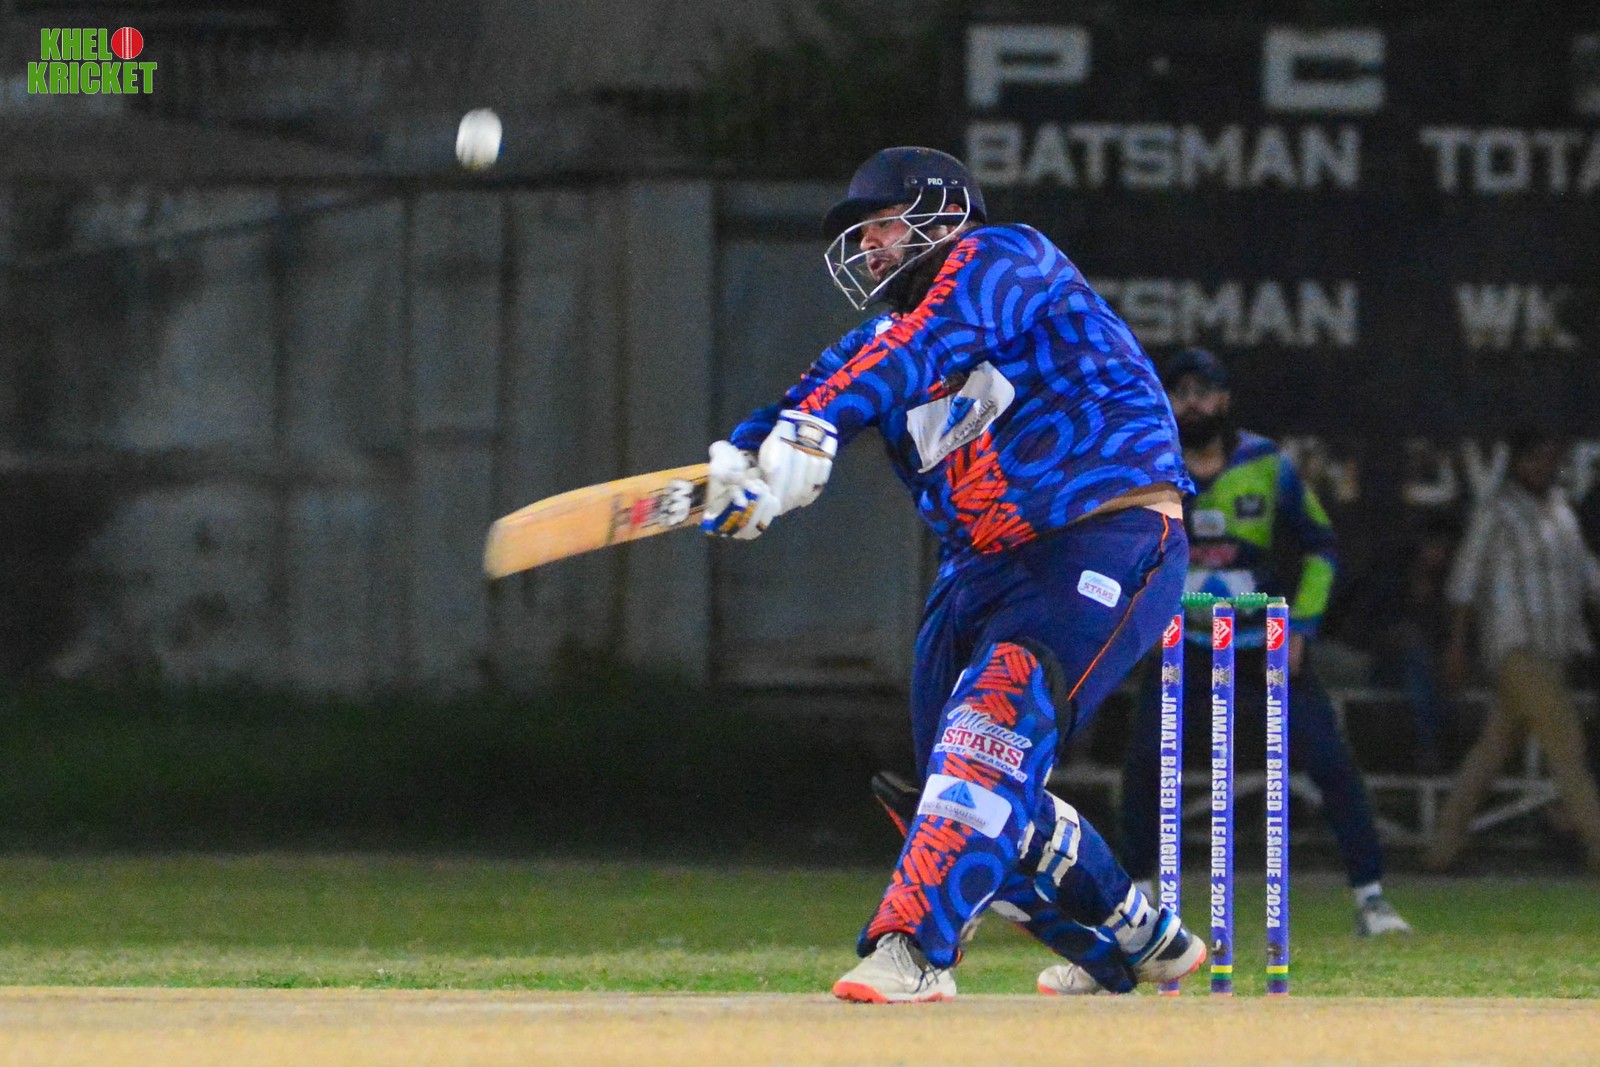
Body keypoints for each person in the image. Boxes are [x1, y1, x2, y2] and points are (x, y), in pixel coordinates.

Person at [700, 146, 1201, 1001]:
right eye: (861, 236)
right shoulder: (877, 345)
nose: (868, 248)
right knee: (953, 792)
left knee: (988, 733)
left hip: (1103, 533)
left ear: (942, 213)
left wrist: (816, 428)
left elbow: (919, 349)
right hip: (976, 569)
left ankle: (912, 949)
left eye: (882, 226)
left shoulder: (1009, 257)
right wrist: (741, 468)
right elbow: (805, 401)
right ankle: (1138, 938)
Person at [1118, 348, 1413, 937]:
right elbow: (1123, 552)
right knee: (1147, 761)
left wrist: (1300, 628)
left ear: (1224, 400)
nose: (1193, 404)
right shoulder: (1151, 465)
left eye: (1204, 392)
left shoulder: (1266, 464)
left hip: (1263, 647)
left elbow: (1322, 549)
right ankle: (1140, 903)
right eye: (1180, 393)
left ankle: (1372, 899)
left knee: (1329, 760)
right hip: (1185, 647)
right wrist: (1142, 622)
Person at [1426, 427, 1600, 874]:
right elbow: (1465, 580)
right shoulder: (1497, 511)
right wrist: (1456, 645)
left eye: (1551, 458)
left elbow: (1586, 574)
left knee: (1491, 753)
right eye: (1538, 458)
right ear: (1519, 462)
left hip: (1555, 648)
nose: (1547, 467)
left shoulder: (1560, 510)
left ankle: (1441, 850)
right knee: (1567, 746)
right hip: (1515, 646)